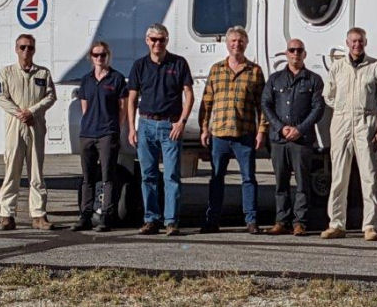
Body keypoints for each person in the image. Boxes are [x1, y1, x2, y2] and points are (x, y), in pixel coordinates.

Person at [321, 27, 377, 241]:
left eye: (360, 41)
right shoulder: (337, 67)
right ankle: (337, 224)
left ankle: (369, 225)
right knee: (339, 176)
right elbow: (328, 95)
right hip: (341, 121)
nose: (356, 45)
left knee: (369, 176)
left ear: (365, 42)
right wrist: (343, 107)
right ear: (347, 43)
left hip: (365, 122)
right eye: (353, 41)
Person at [127, 23, 194, 236]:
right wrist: (132, 127)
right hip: (146, 124)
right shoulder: (139, 65)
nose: (157, 43)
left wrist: (182, 121)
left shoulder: (178, 63)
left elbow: (189, 94)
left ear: (167, 40)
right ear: (147, 41)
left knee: (171, 175)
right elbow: (131, 99)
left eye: (161, 39)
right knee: (148, 175)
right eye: (154, 39)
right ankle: (151, 219)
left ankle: (171, 221)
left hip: (170, 126)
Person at [199, 26, 267, 234]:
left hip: (244, 134)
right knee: (217, 178)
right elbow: (207, 101)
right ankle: (212, 220)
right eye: (233, 41)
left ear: (246, 44)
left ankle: (251, 220)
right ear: (227, 44)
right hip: (219, 133)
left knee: (248, 178)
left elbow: (262, 105)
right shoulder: (216, 69)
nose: (236, 44)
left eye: (240, 41)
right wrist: (204, 128)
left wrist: (261, 131)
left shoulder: (254, 71)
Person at [261, 39, 325, 236]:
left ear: (304, 54)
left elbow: (318, 108)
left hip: (301, 140)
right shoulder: (275, 79)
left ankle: (300, 222)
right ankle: (281, 221)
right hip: (279, 139)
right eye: (292, 50)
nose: (295, 54)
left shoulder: (314, 80)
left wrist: (300, 129)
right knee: (281, 182)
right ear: (286, 54)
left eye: (299, 50)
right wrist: (281, 128)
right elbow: (266, 104)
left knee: (302, 183)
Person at [0, 34, 57, 231]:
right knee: (12, 169)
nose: (26, 51)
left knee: (36, 171)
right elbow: (1, 97)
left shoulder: (43, 73)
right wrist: (19, 113)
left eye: (29, 48)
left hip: (35, 124)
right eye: (22, 47)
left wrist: (32, 111)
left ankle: (39, 215)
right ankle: (7, 214)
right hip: (15, 124)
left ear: (34, 50)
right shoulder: (6, 72)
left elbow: (50, 96)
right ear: (16, 49)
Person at [73, 41, 128, 232]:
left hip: (107, 133)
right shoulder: (86, 80)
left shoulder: (117, 79)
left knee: (107, 176)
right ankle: (85, 215)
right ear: (91, 57)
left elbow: (122, 108)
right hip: (88, 133)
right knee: (88, 177)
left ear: (108, 56)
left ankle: (106, 215)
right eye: (96, 55)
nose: (99, 58)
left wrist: (115, 129)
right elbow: (85, 107)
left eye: (103, 55)